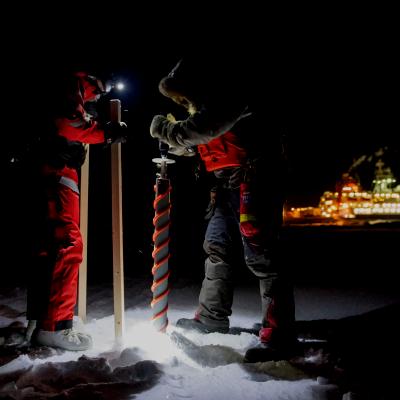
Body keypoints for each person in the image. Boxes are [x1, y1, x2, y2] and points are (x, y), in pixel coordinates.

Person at [149, 56, 298, 361]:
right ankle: (211, 316)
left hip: (254, 181)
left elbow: (202, 130)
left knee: (262, 254)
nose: (183, 100)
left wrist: (166, 130)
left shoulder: (230, 96)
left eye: (184, 93)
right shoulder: (208, 109)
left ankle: (279, 333)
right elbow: (198, 141)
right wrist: (177, 140)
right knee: (216, 247)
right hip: (226, 185)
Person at [25, 69, 127, 351]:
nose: (103, 92)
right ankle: (55, 326)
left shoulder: (73, 88)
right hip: (55, 175)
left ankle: (41, 319)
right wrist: (105, 133)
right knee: (68, 245)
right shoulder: (69, 82)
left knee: (47, 250)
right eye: (104, 86)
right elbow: (70, 124)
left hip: (54, 175)